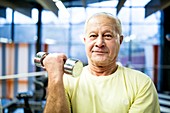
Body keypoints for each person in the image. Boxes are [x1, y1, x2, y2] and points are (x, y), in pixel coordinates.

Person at [43, 12, 160, 113]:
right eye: (93, 36)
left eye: (108, 36)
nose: (99, 43)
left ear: (120, 40)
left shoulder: (141, 84)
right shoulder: (66, 81)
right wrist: (55, 76)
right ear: (85, 40)